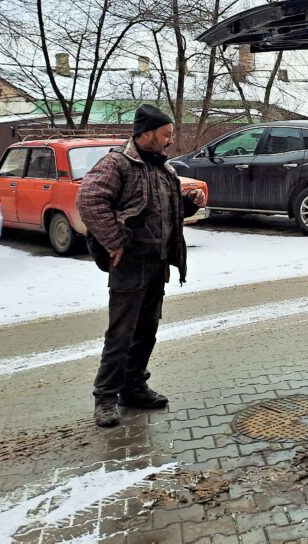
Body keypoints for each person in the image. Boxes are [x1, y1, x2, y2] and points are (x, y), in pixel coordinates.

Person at [77, 104, 207, 428]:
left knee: (146, 331)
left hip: (157, 264)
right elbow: (89, 201)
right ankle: (105, 398)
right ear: (146, 134)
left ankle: (133, 388)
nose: (170, 141)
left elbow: (167, 209)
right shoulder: (117, 163)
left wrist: (188, 204)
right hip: (130, 265)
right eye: (166, 135)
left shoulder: (164, 169)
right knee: (121, 334)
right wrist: (114, 241)